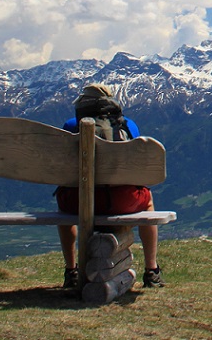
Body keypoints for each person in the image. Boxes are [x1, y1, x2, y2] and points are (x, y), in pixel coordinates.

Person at [56, 83, 164, 289]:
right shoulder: (127, 125)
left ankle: (71, 271)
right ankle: (152, 270)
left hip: (77, 202)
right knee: (148, 200)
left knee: (62, 205)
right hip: (121, 201)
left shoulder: (70, 125)